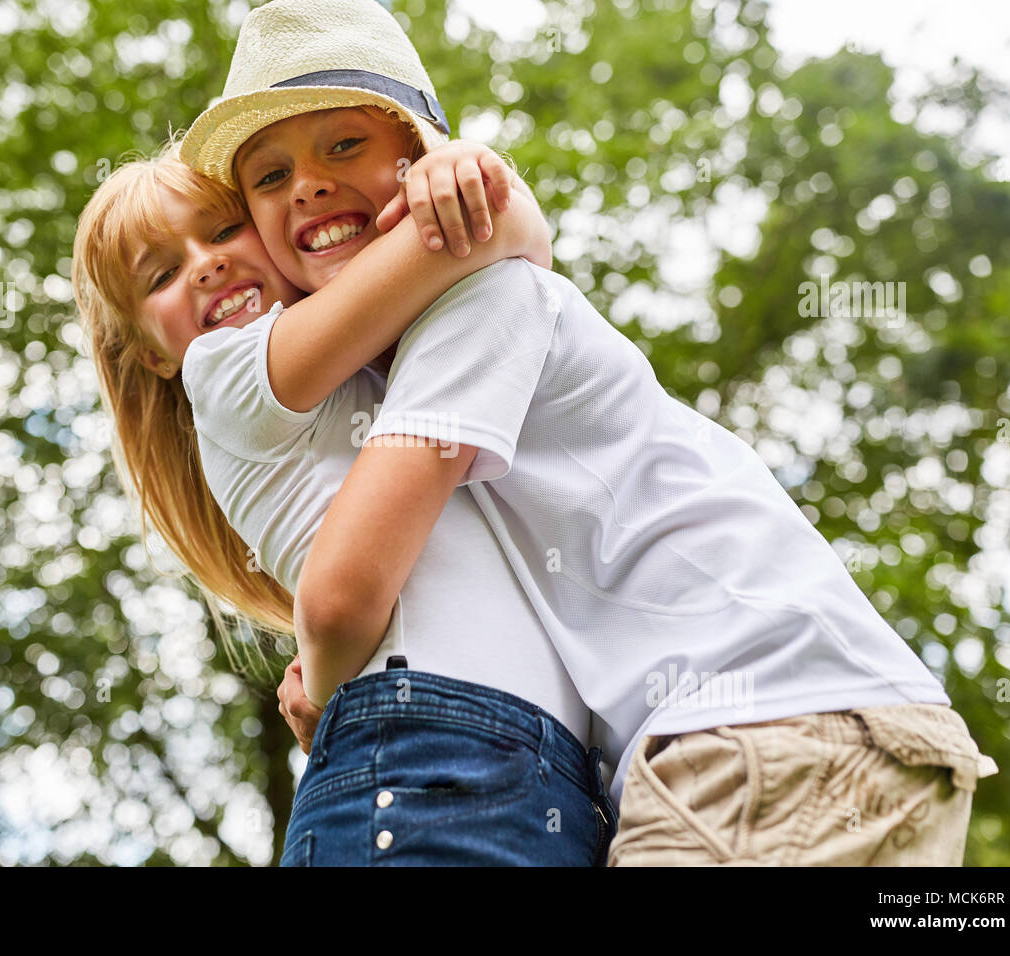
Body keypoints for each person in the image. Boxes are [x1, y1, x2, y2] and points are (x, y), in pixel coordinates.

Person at [184, 0, 999, 865]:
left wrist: (335, 676)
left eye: (343, 145)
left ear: (421, 157)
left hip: (766, 729)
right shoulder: (403, 355)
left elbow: (346, 588)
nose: (306, 183)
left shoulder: (475, 302)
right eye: (268, 178)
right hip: (740, 742)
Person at [72, 128, 616, 863]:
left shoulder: (371, 360)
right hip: (426, 753)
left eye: (224, 229)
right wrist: (476, 186)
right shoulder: (227, 374)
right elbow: (463, 239)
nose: (206, 266)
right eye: (162, 275)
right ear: (152, 356)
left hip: (540, 770)